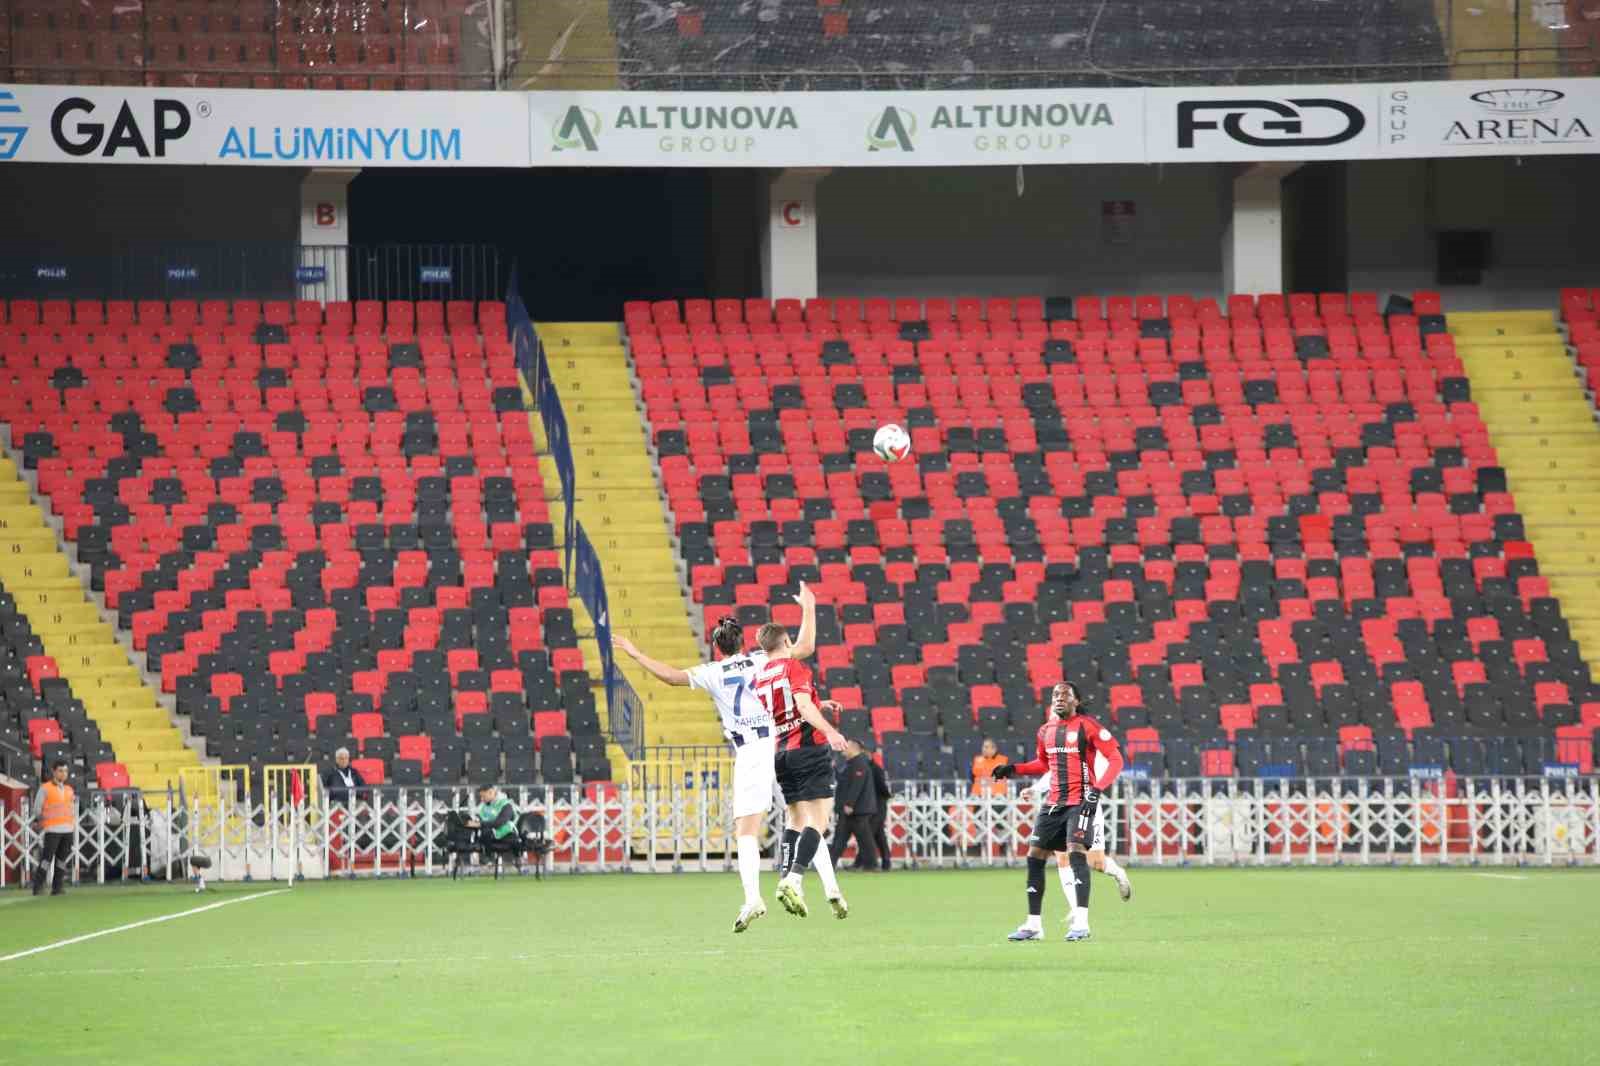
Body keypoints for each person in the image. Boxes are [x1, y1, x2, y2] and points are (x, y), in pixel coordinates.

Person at [613, 582, 839, 933]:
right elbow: (806, 647)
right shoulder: (762, 658)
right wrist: (808, 606)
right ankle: (829, 889)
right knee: (806, 816)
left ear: (717, 648)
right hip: (782, 743)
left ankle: (753, 899)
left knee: (746, 831)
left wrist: (635, 653)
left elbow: (672, 677)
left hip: (750, 753)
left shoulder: (713, 672)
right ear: (742, 641)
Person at [992, 682, 1124, 943]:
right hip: (1053, 803)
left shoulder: (1088, 726)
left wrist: (1097, 789)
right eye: (1055, 695)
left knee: (1076, 853)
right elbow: (1043, 763)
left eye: (1065, 695)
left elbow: (1116, 759)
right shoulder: (1045, 731)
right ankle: (1033, 925)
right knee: (1034, 857)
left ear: (1077, 700)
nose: (1059, 698)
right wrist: (1013, 769)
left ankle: (1081, 923)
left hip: (1080, 801)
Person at [751, 621, 848, 920]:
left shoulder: (759, 676)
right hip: (808, 749)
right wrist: (830, 731)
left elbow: (787, 707)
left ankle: (784, 877)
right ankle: (794, 878)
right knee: (819, 819)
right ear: (787, 641)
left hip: (780, 753)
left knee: (795, 818)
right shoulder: (793, 666)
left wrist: (820, 703)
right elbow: (803, 708)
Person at [1030, 767, 1133, 906]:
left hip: (1087, 809)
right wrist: (1035, 789)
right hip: (1061, 808)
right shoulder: (1060, 751)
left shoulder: (1090, 751)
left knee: (1097, 862)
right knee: (1063, 858)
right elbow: (1055, 771)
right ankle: (1075, 910)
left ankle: (1118, 873)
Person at [829, 737, 879, 870]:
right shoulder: (852, 763)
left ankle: (871, 865)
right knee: (842, 838)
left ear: (854, 748)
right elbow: (845, 782)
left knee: (863, 839)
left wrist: (849, 804)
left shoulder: (859, 764)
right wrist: (834, 769)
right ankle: (829, 865)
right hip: (852, 810)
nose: (844, 748)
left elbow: (857, 786)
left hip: (857, 810)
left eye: (847, 746)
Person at [31, 758, 76, 896]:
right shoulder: (45, 788)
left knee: (62, 861)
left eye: (66, 771)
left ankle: (57, 887)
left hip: (68, 830)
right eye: (60, 771)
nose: (63, 774)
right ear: (54, 772)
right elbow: (37, 810)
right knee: (46, 860)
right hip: (52, 830)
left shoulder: (69, 790)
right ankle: (38, 887)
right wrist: (43, 821)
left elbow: (71, 809)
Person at [467, 782, 518, 849]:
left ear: (491, 792)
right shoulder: (484, 805)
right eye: (481, 796)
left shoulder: (506, 805)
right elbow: (481, 817)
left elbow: (499, 822)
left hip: (507, 834)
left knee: (485, 833)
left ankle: (488, 857)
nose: (481, 799)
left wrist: (479, 824)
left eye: (483, 796)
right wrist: (473, 821)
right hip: (489, 834)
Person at [867, 753, 892, 870]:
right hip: (877, 805)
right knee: (879, 836)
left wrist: (887, 795)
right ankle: (886, 862)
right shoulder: (874, 769)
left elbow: (882, 787)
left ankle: (862, 861)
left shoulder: (875, 769)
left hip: (877, 806)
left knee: (869, 834)